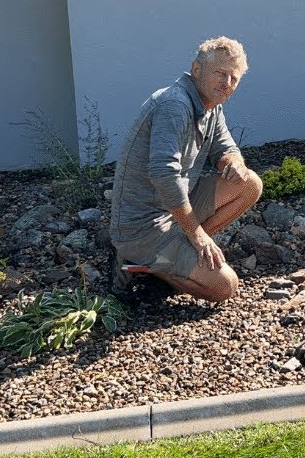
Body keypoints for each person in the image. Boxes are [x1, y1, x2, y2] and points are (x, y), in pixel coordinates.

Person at [108, 37, 262, 302]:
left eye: (234, 79)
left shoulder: (211, 106)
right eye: (221, 74)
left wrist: (233, 162)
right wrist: (196, 232)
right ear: (197, 69)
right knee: (225, 286)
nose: (227, 84)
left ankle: (178, 254)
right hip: (142, 227)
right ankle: (142, 266)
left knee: (249, 183)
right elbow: (163, 173)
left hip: (175, 211)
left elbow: (225, 147)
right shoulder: (174, 105)